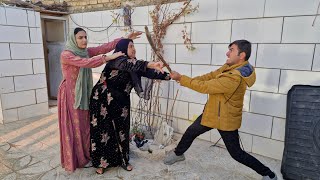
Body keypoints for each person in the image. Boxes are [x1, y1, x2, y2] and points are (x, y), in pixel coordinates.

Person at [164, 40, 277, 180]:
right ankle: (178, 154)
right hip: (213, 112)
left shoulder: (235, 77)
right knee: (191, 131)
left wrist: (182, 78)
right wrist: (185, 80)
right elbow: (210, 76)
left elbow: (206, 87)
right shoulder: (231, 66)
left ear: (242, 55)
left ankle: (268, 174)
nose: (227, 52)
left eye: (231, 50)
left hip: (225, 118)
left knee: (236, 153)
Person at [57, 27, 141, 172]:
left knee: (86, 126)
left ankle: (87, 155)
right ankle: (75, 159)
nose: (84, 40)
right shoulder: (66, 55)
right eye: (80, 37)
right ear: (73, 39)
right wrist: (108, 58)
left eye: (85, 37)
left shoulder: (85, 51)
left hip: (84, 93)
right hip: (71, 95)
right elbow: (86, 63)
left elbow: (104, 47)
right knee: (74, 127)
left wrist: (125, 38)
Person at [89, 38, 170, 174]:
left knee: (122, 131)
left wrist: (170, 76)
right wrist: (151, 63)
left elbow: (147, 71)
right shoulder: (117, 59)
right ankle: (101, 163)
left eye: (134, 46)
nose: (134, 49)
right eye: (131, 46)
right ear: (122, 48)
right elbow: (131, 65)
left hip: (121, 102)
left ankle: (123, 161)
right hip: (102, 99)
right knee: (103, 130)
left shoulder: (135, 65)